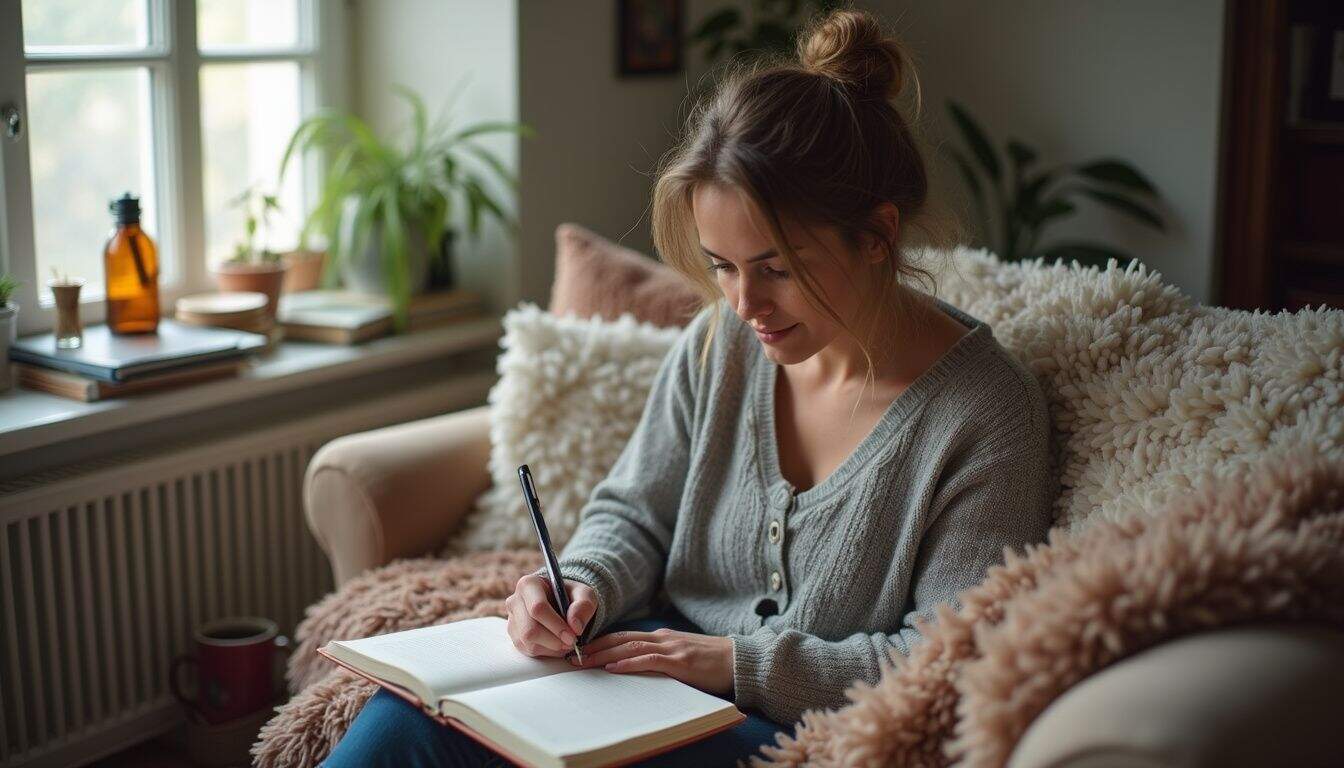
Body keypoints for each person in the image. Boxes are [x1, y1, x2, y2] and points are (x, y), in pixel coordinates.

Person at [323, 7, 1056, 767]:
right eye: (722, 266)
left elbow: (946, 660)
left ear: (878, 236)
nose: (745, 305)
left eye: (776, 268)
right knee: (407, 721)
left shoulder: (985, 413)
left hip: (800, 734)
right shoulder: (720, 346)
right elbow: (634, 511)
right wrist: (580, 585)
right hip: (646, 690)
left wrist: (737, 664)